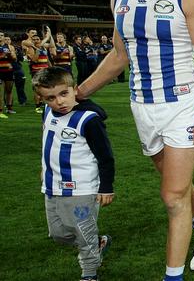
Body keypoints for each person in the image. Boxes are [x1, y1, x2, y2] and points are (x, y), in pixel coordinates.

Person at [76, 0, 194, 279]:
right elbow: (119, 55)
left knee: (173, 196)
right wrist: (79, 93)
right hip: (142, 106)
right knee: (178, 186)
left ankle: (173, 275)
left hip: (182, 106)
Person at [33, 67, 115, 281]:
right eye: (51, 98)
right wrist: (44, 167)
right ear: (41, 99)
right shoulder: (48, 112)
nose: (59, 102)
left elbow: (106, 156)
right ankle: (97, 243)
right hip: (52, 185)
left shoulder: (89, 120)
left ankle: (89, 274)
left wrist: (106, 187)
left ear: (74, 90)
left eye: (63, 93)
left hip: (82, 187)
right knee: (58, 234)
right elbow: (48, 140)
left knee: (83, 234)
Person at [0, 32, 17, 117]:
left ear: (4, 37)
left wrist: (10, 55)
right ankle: (0, 111)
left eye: (1, 35)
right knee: (0, 92)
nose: (0, 37)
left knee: (9, 90)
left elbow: (14, 58)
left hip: (8, 71)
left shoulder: (9, 47)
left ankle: (9, 108)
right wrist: (3, 55)